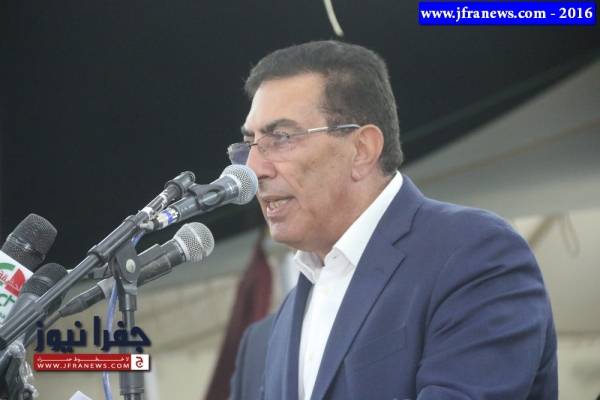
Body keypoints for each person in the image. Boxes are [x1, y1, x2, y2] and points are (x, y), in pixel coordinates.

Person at [227, 40, 557, 400]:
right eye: (249, 143)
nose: (253, 169)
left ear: (362, 149)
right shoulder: (269, 335)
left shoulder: (475, 254)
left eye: (281, 138)